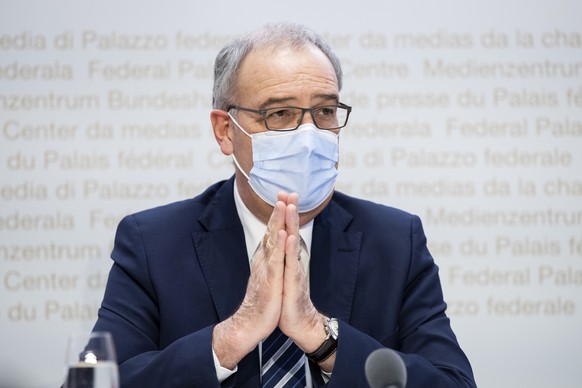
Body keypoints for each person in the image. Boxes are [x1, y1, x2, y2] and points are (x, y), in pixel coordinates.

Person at [91, 22, 476, 387]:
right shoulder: (152, 243)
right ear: (225, 131)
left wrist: (320, 337)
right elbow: (95, 381)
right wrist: (230, 337)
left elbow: (452, 382)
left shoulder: (395, 240)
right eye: (279, 114)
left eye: (325, 111)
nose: (309, 136)